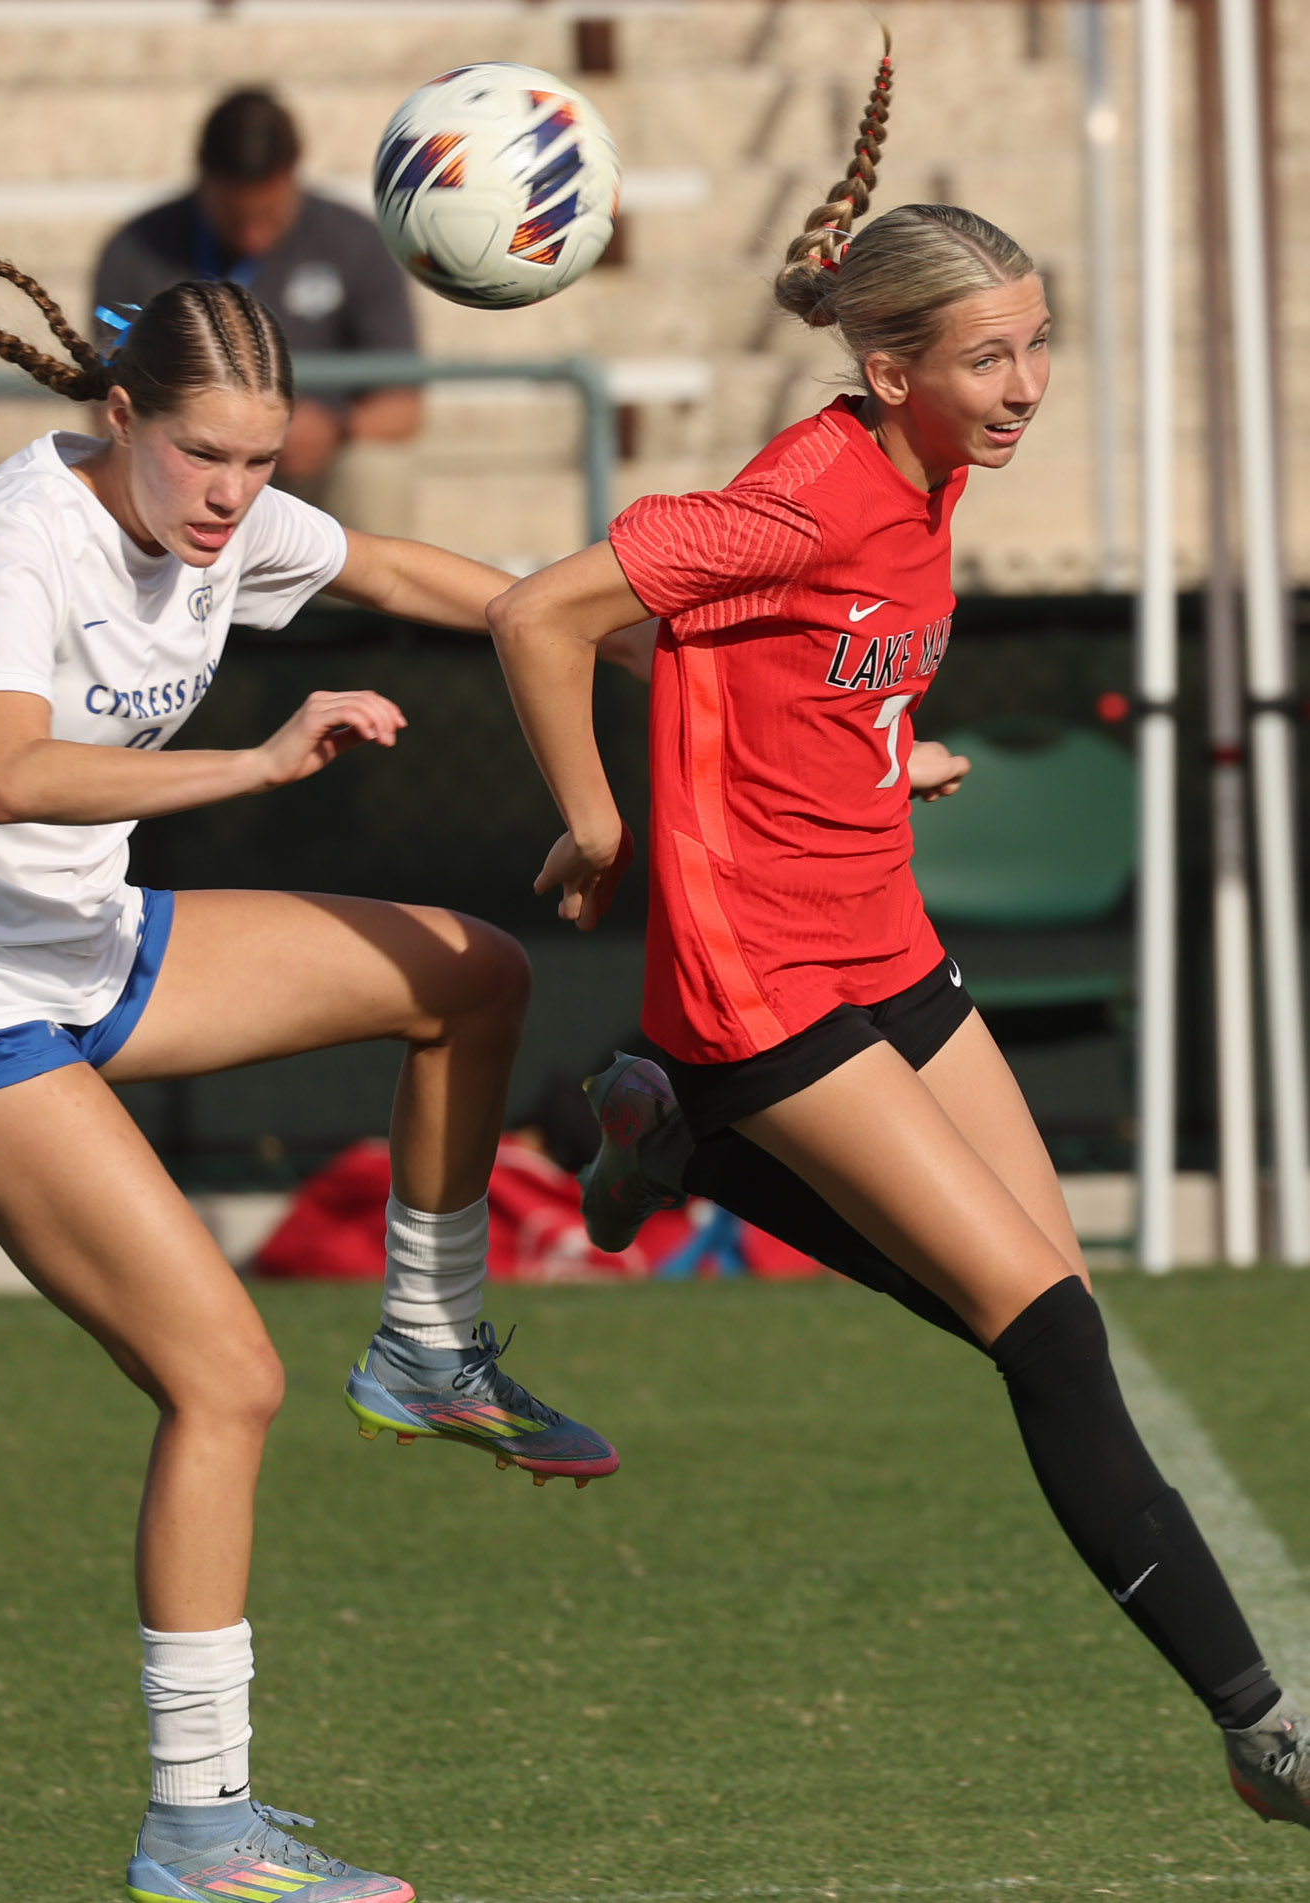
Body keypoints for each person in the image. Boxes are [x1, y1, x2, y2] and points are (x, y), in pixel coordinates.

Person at [485, 40, 1310, 1834]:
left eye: (1034, 345)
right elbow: (546, 612)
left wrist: (873, 737)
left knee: (1047, 1299)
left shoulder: (928, 468)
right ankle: (1264, 1731)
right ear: (889, 370)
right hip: (764, 976)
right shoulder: (811, 488)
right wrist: (604, 819)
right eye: (987, 357)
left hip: (884, 935)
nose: (1025, 387)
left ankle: (688, 1144)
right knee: (1041, 1330)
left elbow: (743, 647)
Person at [0, 244, 617, 1903]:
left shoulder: (224, 517)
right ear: (121, 416)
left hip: (96, 949)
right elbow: (13, 773)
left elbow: (400, 567)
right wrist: (257, 754)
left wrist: (629, 630)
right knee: (225, 1378)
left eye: (262, 459)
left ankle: (430, 1346)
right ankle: (199, 1828)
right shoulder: (19, 533)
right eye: (202, 455)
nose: (235, 494)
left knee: (478, 973)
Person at [93, 88, 421, 485]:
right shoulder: (136, 248)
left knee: (375, 471)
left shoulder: (356, 242)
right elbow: (107, 406)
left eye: (269, 215)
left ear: (293, 175)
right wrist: (194, 440)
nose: (253, 238)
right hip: (185, 469)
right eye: (234, 218)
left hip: (312, 469)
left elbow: (405, 406)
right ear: (204, 181)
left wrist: (336, 427)